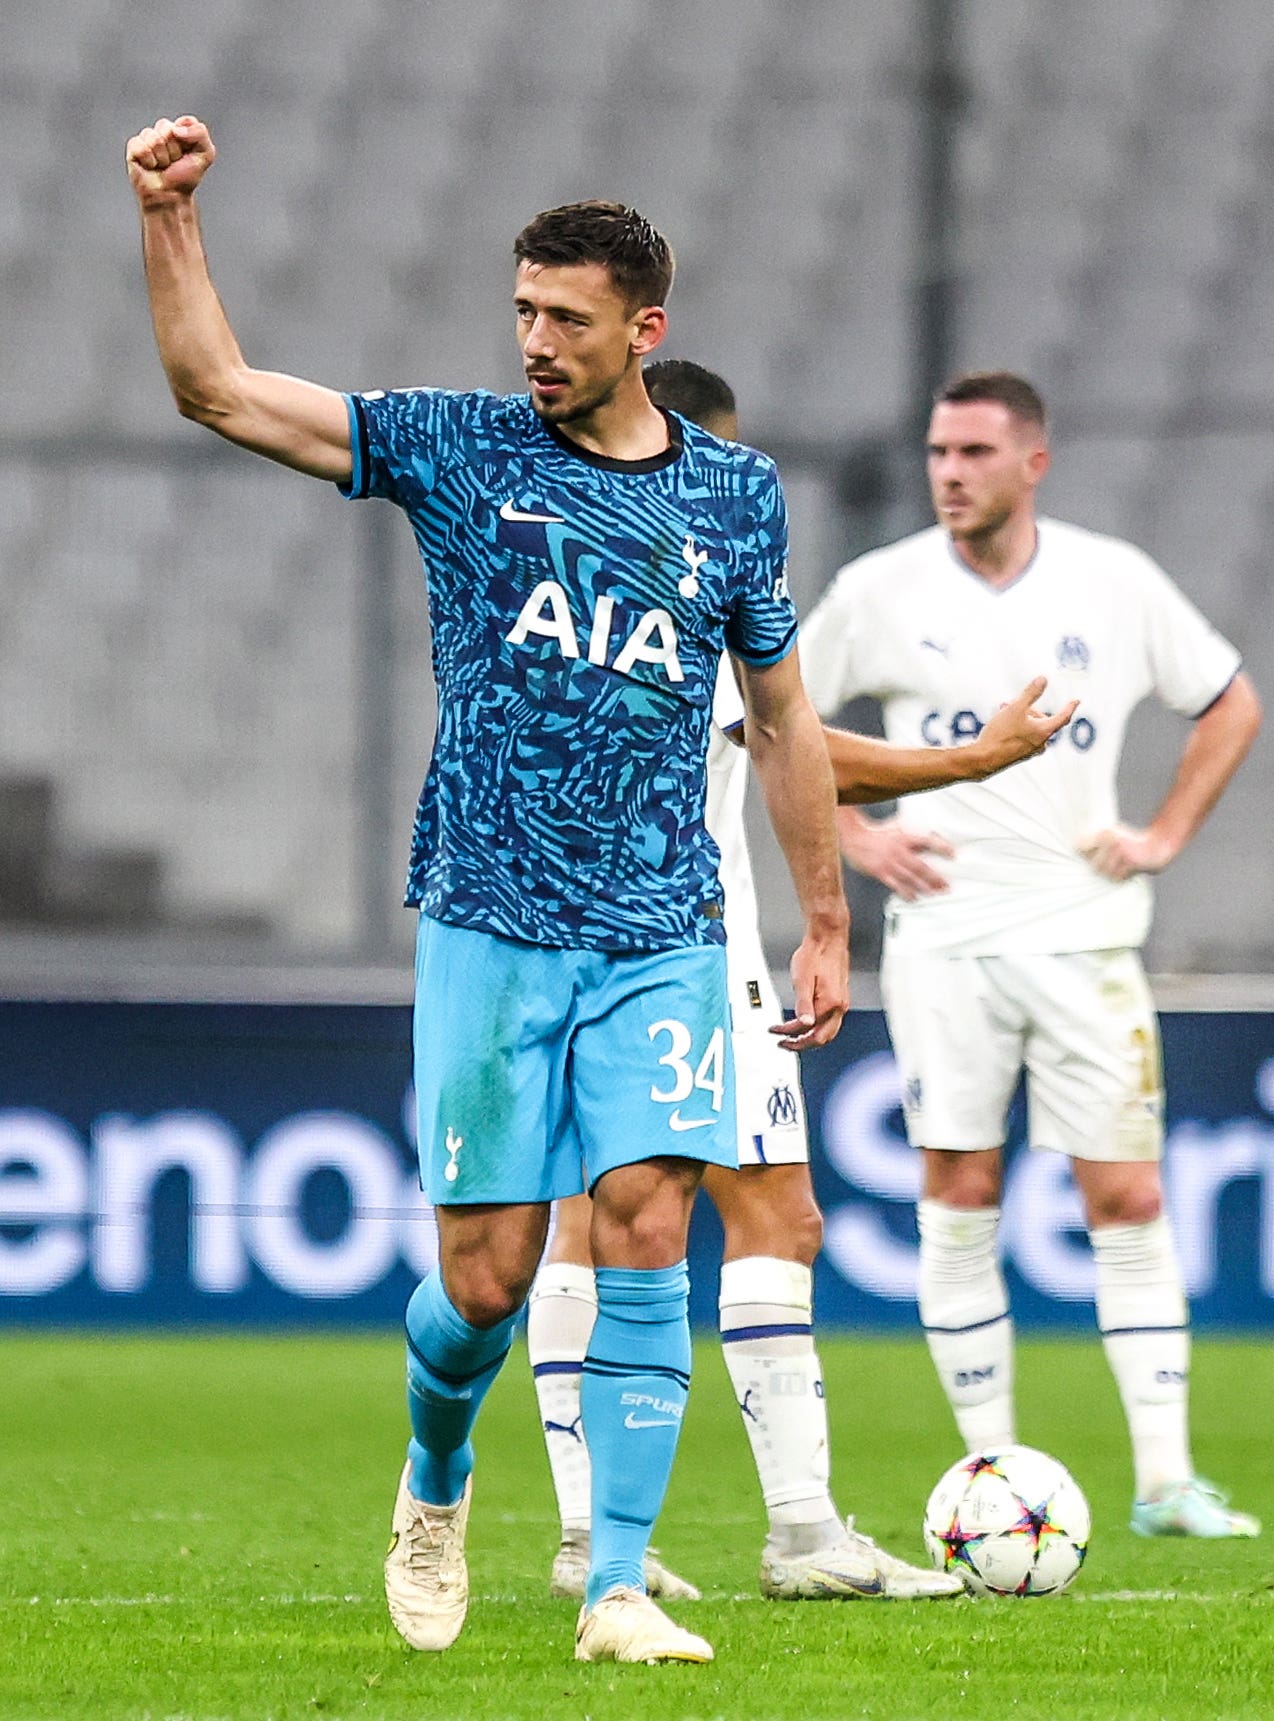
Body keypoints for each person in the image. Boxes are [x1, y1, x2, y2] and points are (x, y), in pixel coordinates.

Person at [128, 118, 852, 1666]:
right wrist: (168, 219)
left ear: (643, 331)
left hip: (662, 924)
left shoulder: (733, 495)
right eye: (522, 310)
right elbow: (219, 389)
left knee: (652, 1218)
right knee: (486, 1282)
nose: (532, 341)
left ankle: (616, 1588)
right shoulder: (459, 448)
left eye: (565, 319)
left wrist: (826, 921)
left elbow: (782, 714)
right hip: (489, 915)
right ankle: (438, 1468)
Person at [528, 358, 1073, 1604]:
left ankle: (582, 1539)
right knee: (773, 1216)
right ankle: (802, 1532)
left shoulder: (559, 555)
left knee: (578, 1216)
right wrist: (972, 758)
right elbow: (797, 748)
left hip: (548, 930)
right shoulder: (684, 548)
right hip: (684, 939)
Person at [799, 371, 1265, 1538]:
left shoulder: (1111, 581)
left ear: (1031, 463)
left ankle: (1164, 1479)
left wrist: (1161, 834)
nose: (947, 472)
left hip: (1085, 936)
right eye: (936, 451)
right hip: (944, 939)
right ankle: (994, 1476)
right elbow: (772, 720)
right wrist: (856, 833)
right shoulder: (880, 587)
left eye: (970, 451)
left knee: (1128, 1190)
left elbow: (1230, 702)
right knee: (959, 1188)